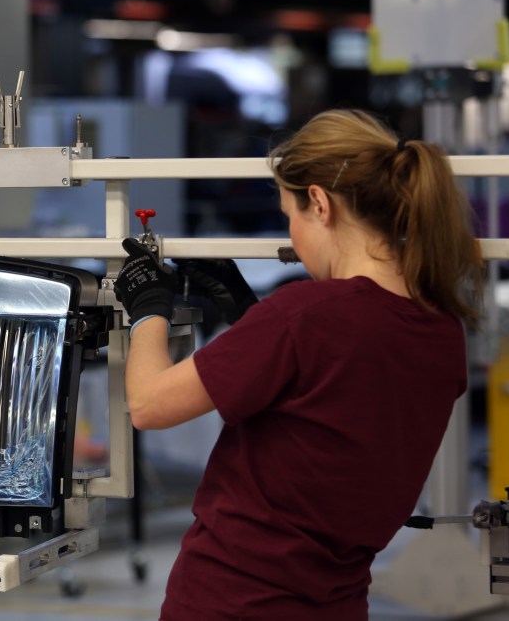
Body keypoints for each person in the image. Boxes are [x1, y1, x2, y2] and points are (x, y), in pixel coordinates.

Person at [114, 109, 483, 620]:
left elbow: (149, 404)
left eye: (290, 214)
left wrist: (147, 309)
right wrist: (248, 316)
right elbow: (328, 391)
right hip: (337, 602)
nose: (291, 234)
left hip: (231, 599)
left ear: (319, 203)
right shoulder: (439, 327)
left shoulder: (304, 315)